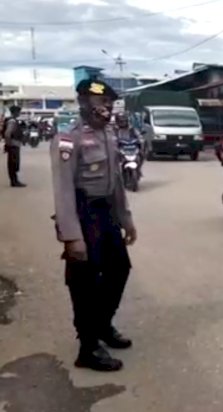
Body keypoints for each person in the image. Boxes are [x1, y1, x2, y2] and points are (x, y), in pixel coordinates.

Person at [50, 79, 137, 372]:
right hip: (82, 214)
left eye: (110, 103)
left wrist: (125, 218)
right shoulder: (68, 138)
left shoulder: (109, 135)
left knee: (119, 269)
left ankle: (102, 325)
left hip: (106, 213)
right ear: (85, 103)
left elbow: (116, 184)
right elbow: (62, 190)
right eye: (101, 103)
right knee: (84, 282)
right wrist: (72, 237)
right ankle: (87, 348)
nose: (107, 108)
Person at [114, 112, 144, 177]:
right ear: (117, 121)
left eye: (124, 121)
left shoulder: (132, 129)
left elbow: (139, 135)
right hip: (120, 148)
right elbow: (111, 138)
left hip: (131, 147)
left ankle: (138, 169)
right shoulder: (114, 130)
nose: (123, 122)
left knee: (141, 155)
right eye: (121, 121)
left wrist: (140, 140)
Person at [3, 106, 26, 187]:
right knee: (13, 164)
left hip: (13, 145)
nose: (19, 113)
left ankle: (14, 181)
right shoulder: (12, 121)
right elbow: (7, 134)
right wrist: (8, 144)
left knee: (14, 164)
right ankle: (14, 182)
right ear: (15, 112)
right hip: (13, 145)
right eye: (19, 111)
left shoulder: (12, 120)